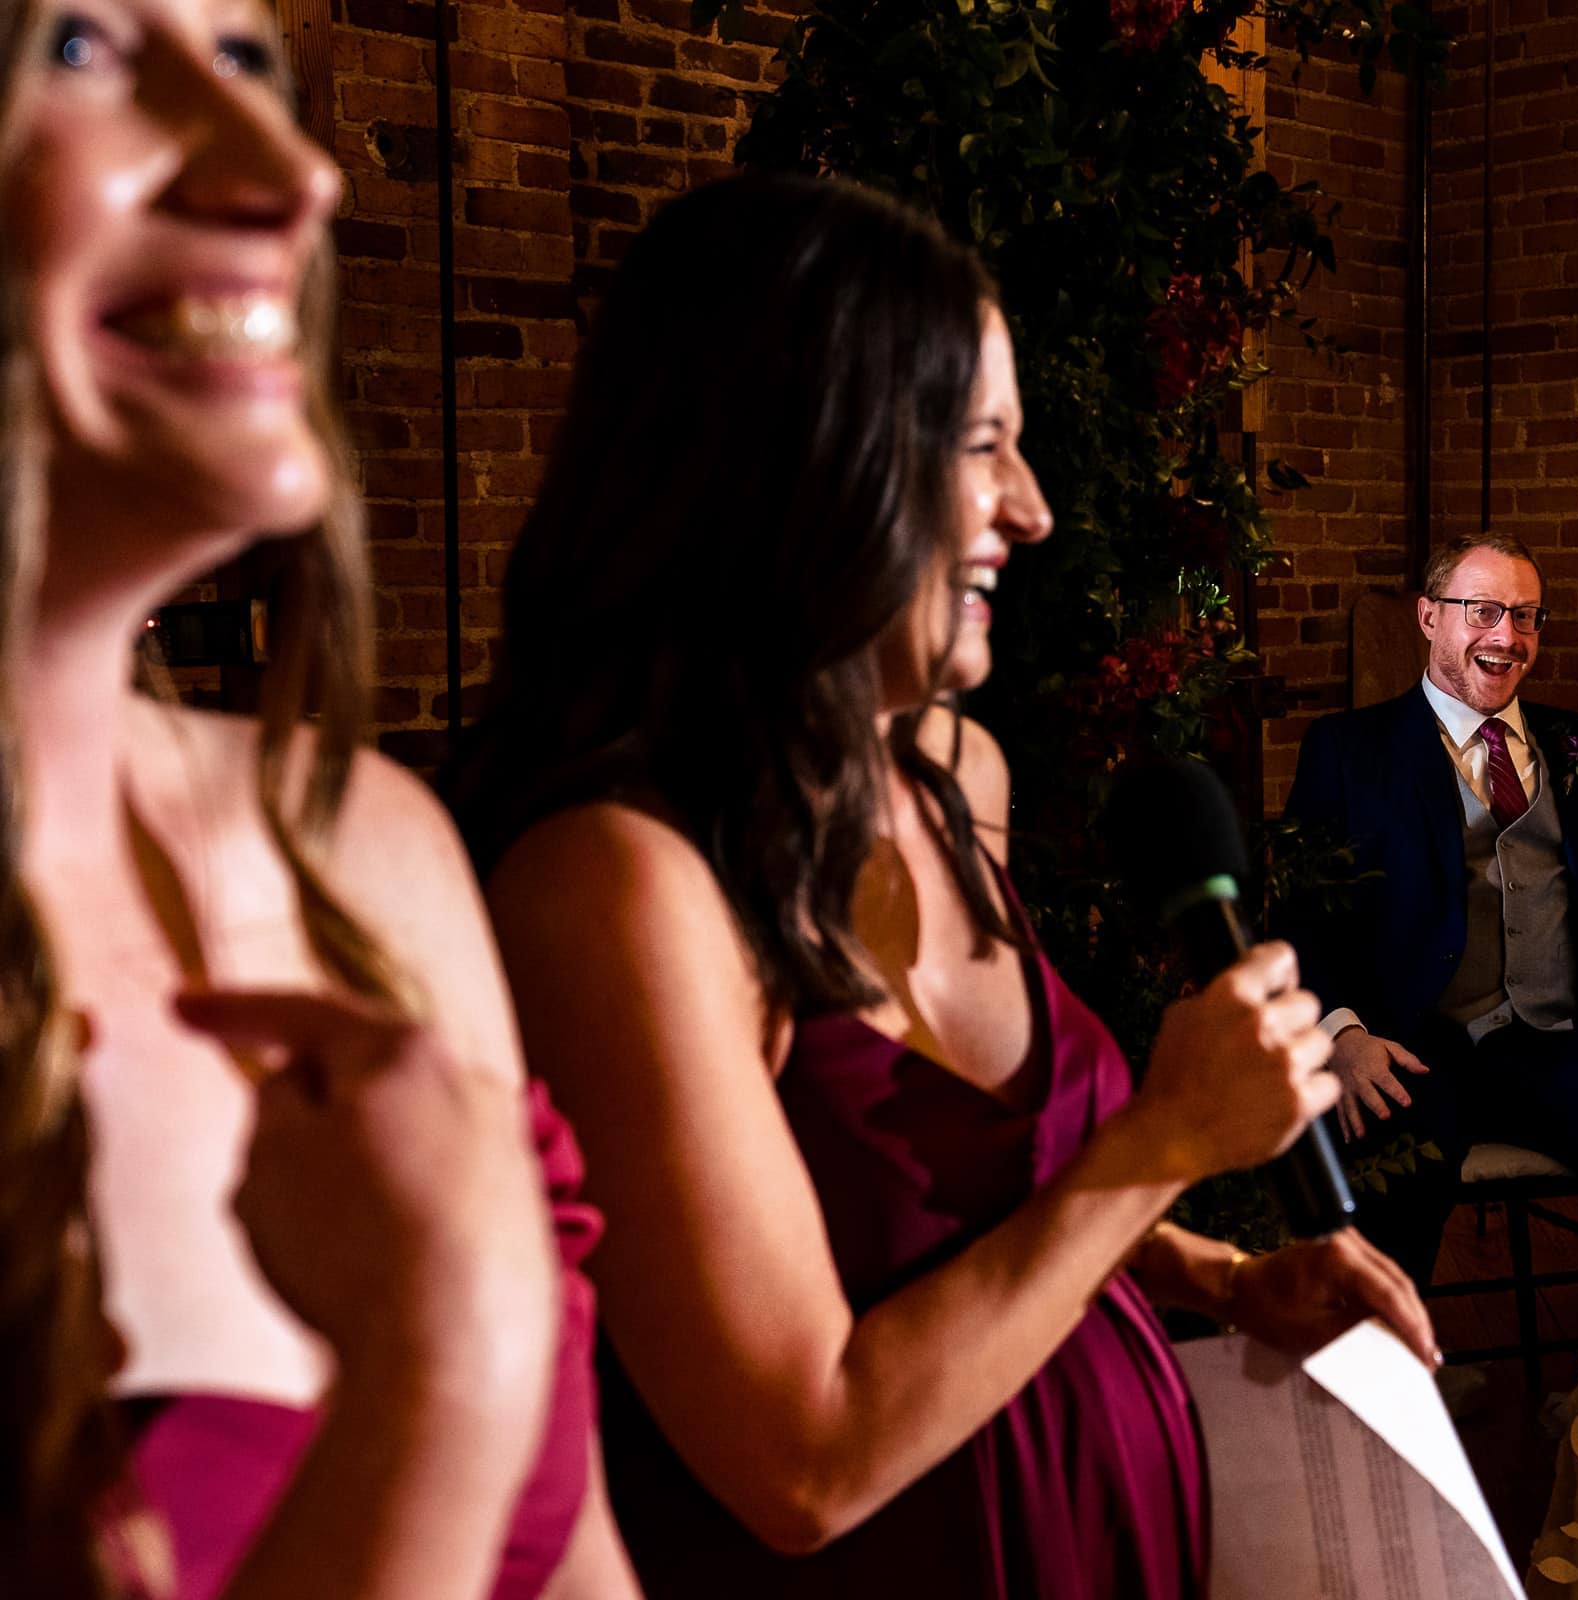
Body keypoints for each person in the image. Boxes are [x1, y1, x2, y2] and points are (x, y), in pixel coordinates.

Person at [447, 172, 1437, 1598]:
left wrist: (1217, 1276)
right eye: (981, 448)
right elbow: (802, 1461)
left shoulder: (956, 776)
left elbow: (970, 1215)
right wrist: (1163, 1139)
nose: (1031, 511)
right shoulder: (619, 882)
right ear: (803, 457)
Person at [0, 0, 639, 1592]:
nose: (293, 173)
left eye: (246, 59)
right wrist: (444, 1369)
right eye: (77, 47)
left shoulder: (371, 853)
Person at [1278, 533, 1578, 1286]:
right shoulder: (1348, 750)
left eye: (1526, 615)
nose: (1506, 636)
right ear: (1428, 617)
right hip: (1408, 1052)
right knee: (1386, 1211)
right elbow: (1297, 921)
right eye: (1483, 611)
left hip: (1562, 1050)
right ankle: (1388, 1356)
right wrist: (1343, 1037)